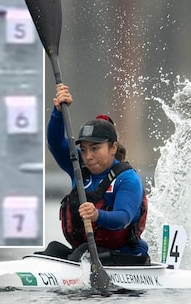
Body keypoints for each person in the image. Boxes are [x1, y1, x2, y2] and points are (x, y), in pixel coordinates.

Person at [38, 84, 150, 266]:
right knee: (53, 249)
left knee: (83, 253)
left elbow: (123, 218)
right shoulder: (78, 166)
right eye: (83, 149)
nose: (88, 156)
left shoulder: (127, 179)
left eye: (95, 148)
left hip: (125, 255)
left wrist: (96, 215)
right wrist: (58, 112)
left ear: (113, 147)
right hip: (87, 252)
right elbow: (55, 143)